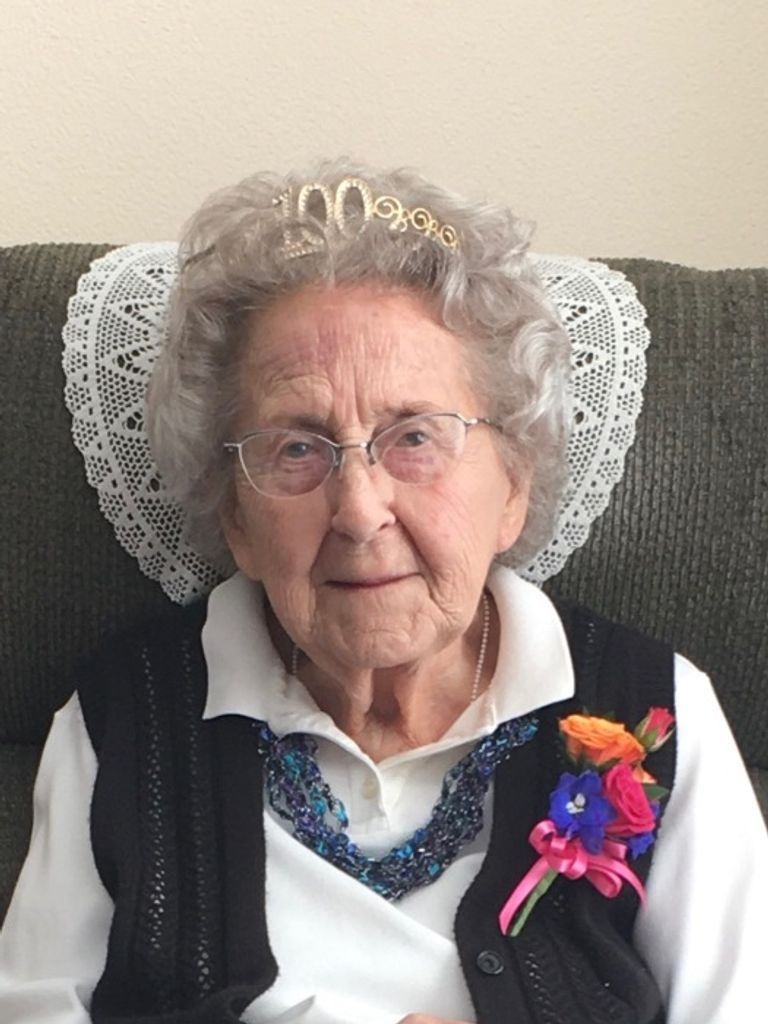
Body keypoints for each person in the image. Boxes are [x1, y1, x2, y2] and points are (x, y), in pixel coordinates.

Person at [0, 159, 764, 1024]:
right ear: (236, 516)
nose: (360, 511)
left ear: (514, 485)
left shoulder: (657, 714)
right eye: (296, 448)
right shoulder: (123, 716)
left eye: (416, 438)